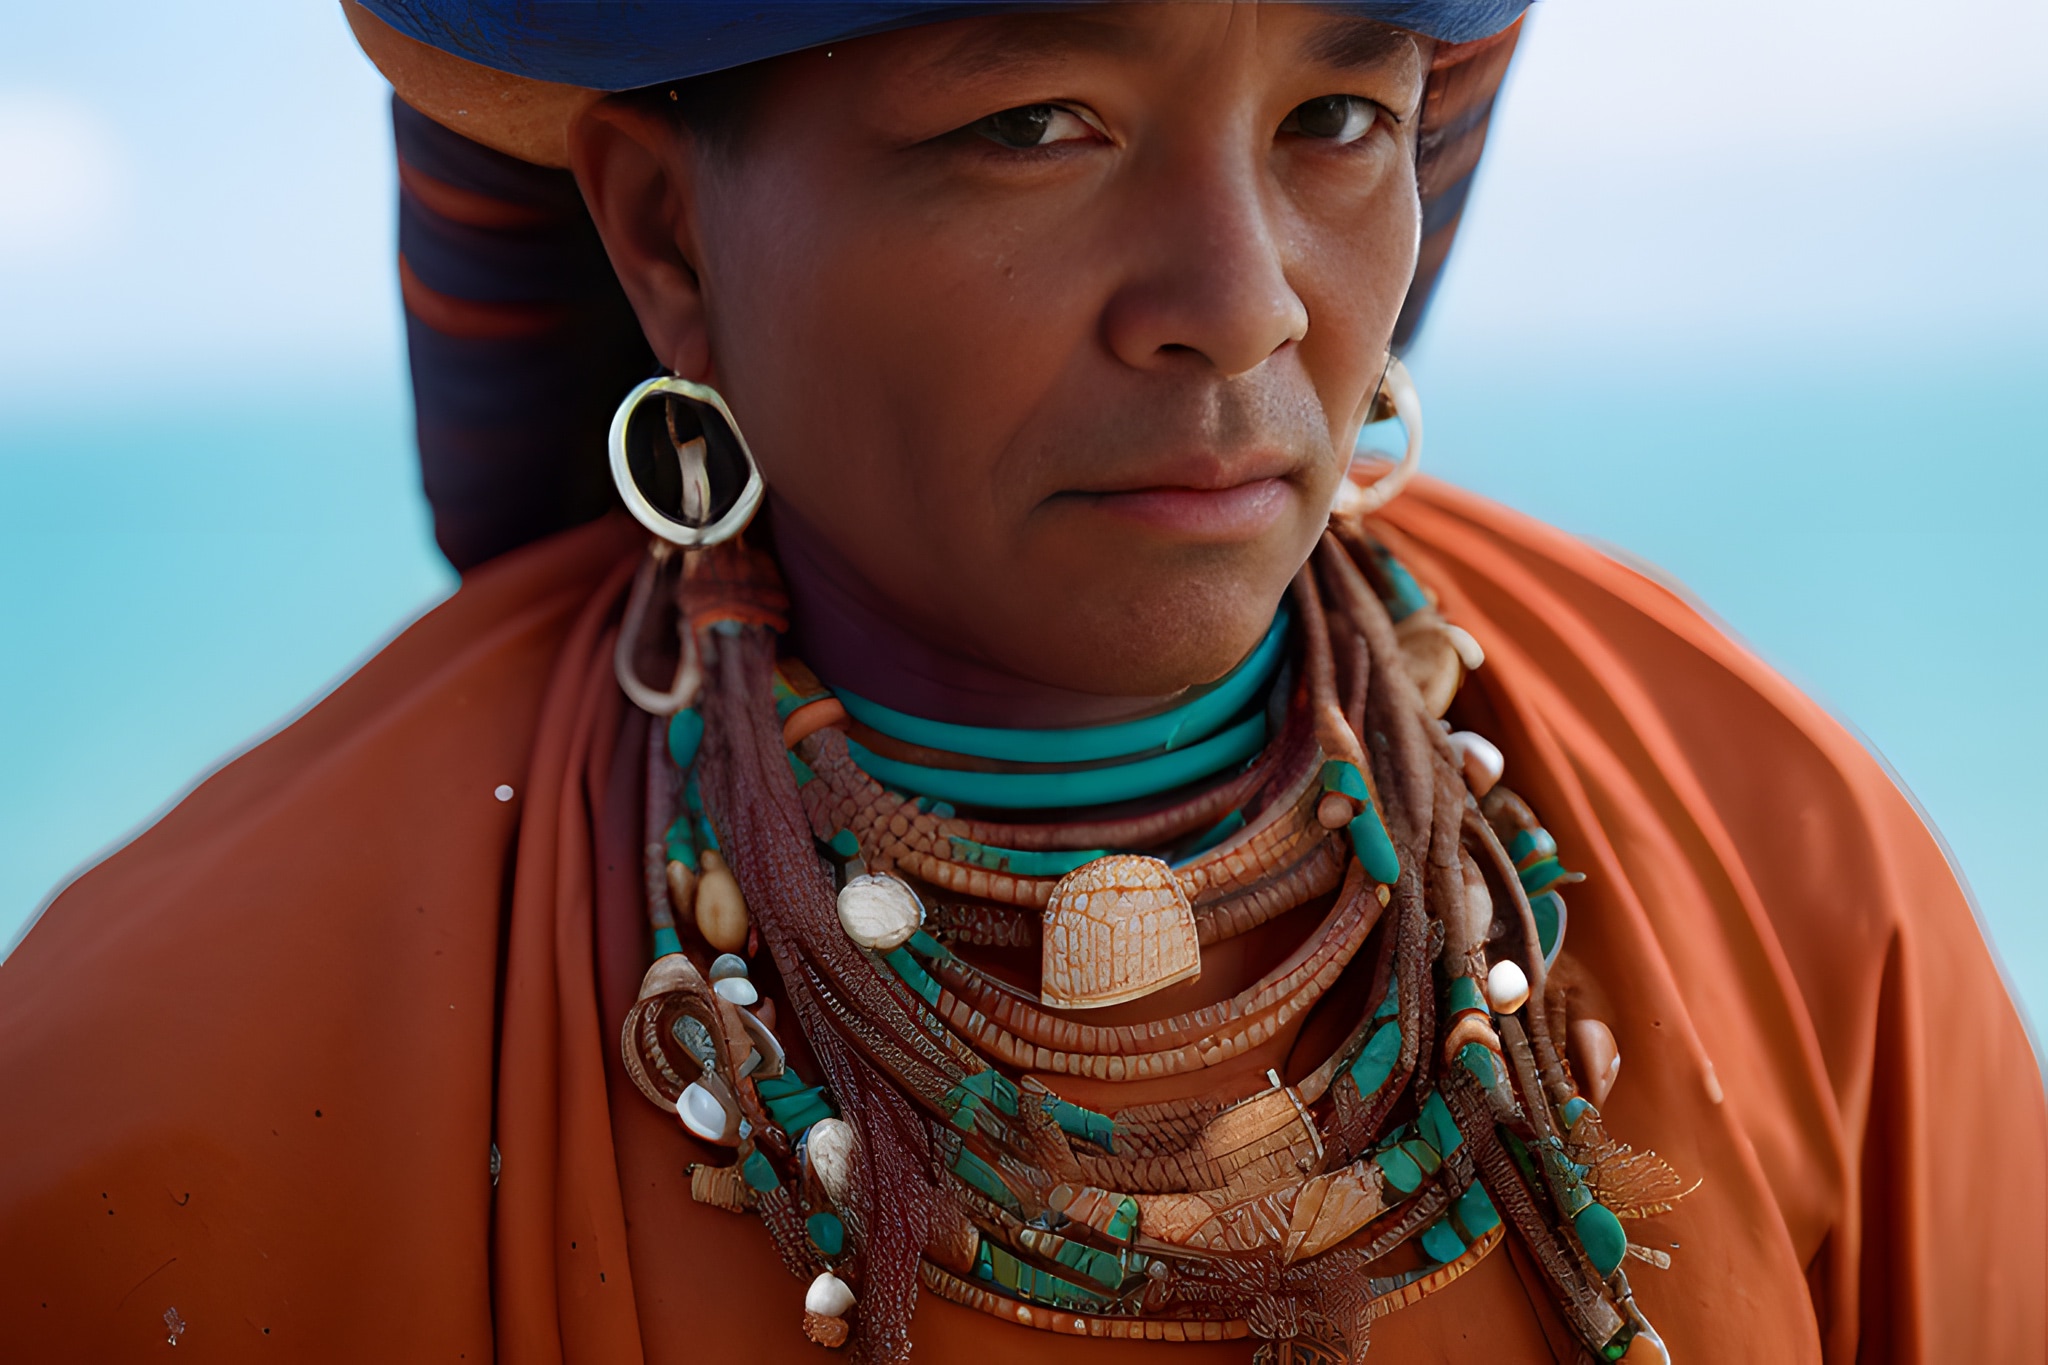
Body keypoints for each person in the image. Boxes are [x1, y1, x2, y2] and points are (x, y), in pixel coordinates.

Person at [1, 3, 2040, 1361]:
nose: (1241, 302)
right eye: (1032, 124)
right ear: (662, 233)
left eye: (1336, 120)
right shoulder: (162, 1088)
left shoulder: (1774, 851)